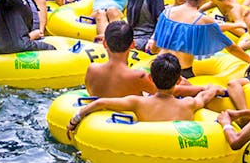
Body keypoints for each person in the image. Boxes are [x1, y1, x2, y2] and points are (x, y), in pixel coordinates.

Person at [67, 52, 223, 137]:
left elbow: (100, 103)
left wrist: (75, 120)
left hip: (146, 148)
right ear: (178, 80)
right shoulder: (188, 104)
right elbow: (205, 96)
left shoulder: (138, 103)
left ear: (150, 78)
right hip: (178, 153)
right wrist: (214, 89)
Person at [152, 0, 250, 77]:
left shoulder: (167, 12)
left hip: (159, 67)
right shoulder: (202, 20)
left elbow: (154, 48)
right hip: (180, 72)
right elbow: (232, 48)